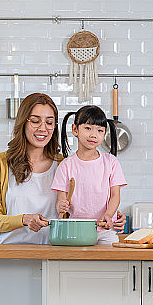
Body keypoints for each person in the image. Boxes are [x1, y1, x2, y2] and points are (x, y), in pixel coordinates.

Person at [0, 93, 124, 244]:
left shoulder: (63, 164)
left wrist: (112, 215)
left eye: (49, 123)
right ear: (22, 122)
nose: (43, 128)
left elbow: (84, 201)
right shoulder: (1, 163)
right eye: (35, 121)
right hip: (8, 251)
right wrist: (24, 219)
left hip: (53, 252)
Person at [52, 105, 127, 245]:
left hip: (105, 230)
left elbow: (115, 195)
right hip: (74, 230)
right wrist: (61, 205)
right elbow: (61, 199)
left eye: (99, 130)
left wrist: (109, 215)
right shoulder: (66, 165)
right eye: (88, 128)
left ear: (104, 134)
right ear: (75, 129)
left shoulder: (111, 162)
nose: (93, 135)